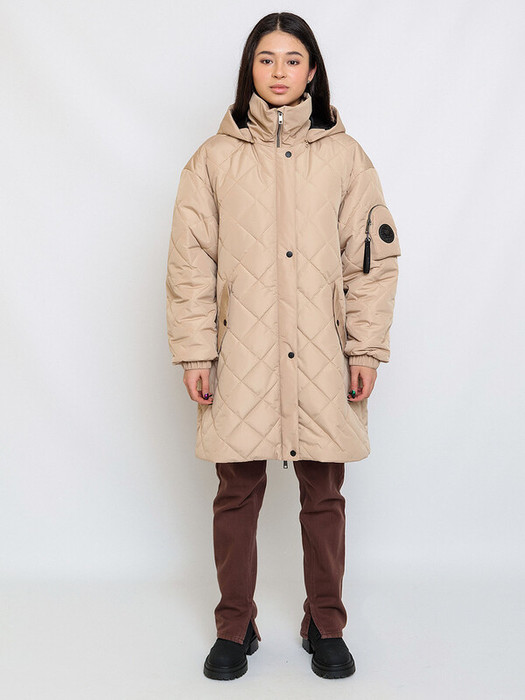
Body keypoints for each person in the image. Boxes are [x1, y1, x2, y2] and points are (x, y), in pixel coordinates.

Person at [165, 12, 401, 681]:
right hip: (240, 354)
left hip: (323, 352)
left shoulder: (346, 158)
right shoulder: (211, 160)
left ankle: (325, 621)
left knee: (323, 492)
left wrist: (364, 349)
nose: (278, 72)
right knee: (235, 491)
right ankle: (233, 625)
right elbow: (189, 263)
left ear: (312, 70)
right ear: (249, 69)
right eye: (265, 59)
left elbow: (370, 262)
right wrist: (196, 353)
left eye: (292, 59)